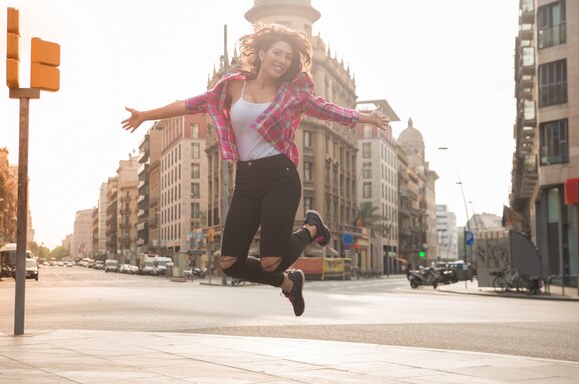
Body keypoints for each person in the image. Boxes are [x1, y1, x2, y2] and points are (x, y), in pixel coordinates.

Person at [122, 24, 389, 316]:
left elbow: (326, 109)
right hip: (246, 180)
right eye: (277, 53)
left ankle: (312, 227)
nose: (283, 60)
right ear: (262, 53)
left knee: (271, 260)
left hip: (280, 176)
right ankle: (289, 283)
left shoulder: (291, 94)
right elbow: (188, 104)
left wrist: (366, 118)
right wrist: (146, 115)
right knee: (229, 263)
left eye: (288, 57)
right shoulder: (231, 86)